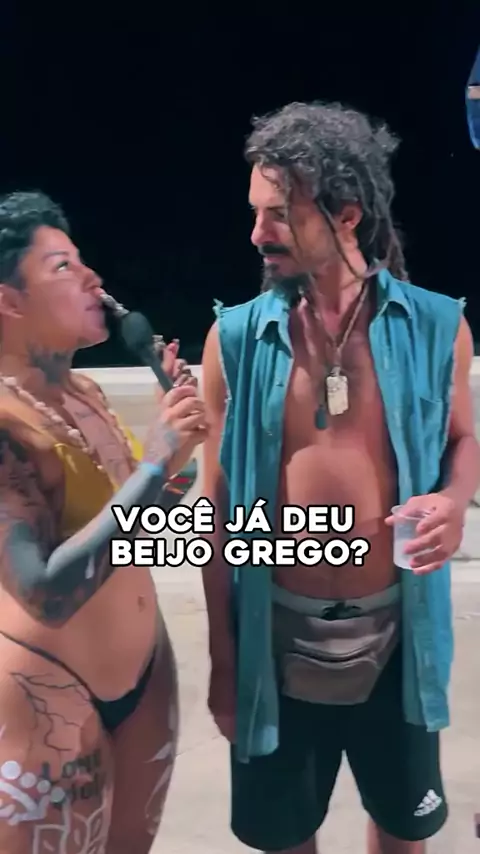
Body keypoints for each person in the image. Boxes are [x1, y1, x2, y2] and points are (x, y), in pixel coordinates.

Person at [201, 101, 480, 854]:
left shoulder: (435, 325)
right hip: (275, 640)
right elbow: (216, 512)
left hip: (399, 636)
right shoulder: (235, 339)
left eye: (279, 215)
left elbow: (464, 441)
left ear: (347, 215)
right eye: (255, 213)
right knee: (285, 837)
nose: (257, 234)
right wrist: (224, 663)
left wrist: (454, 499)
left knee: (402, 830)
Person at [0, 190, 206, 853]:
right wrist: (157, 463)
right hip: (50, 691)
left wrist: (177, 454)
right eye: (62, 266)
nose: (92, 278)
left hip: (144, 678)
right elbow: (44, 590)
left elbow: (142, 520)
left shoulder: (86, 395)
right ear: (9, 301)